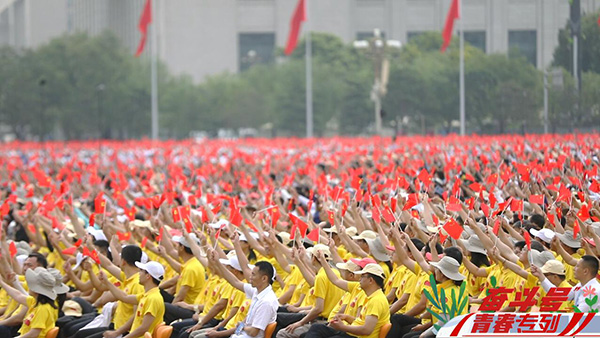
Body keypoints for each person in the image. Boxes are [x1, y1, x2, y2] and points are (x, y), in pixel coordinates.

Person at [304, 263, 390, 338]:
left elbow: (366, 330)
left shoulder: (376, 300)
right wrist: (346, 317)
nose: (359, 278)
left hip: (356, 336)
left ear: (371, 280)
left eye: (363, 276)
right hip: (353, 334)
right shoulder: (371, 297)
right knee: (317, 328)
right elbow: (361, 323)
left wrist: (342, 327)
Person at [208, 249, 278, 338]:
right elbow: (235, 282)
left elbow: (253, 332)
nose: (250, 277)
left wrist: (242, 327)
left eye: (253, 275)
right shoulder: (257, 291)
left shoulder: (266, 302)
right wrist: (217, 262)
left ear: (264, 279)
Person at [0, 267, 58, 338]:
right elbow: (18, 295)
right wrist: (1, 282)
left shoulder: (43, 309)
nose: (28, 286)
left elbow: (33, 334)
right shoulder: (35, 302)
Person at [536, 255, 600, 312]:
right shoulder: (580, 285)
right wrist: (540, 276)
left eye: (577, 266)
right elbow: (559, 294)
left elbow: (578, 315)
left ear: (585, 271)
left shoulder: (593, 291)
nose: (574, 269)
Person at [123, 261, 166, 338]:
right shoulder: (147, 295)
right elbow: (124, 297)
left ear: (148, 276)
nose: (139, 273)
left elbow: (144, 328)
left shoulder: (153, 298)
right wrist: (106, 282)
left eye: (141, 271)